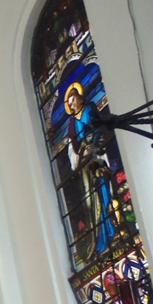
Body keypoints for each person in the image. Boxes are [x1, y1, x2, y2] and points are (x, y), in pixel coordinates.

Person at [64, 83, 117, 255]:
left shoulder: (89, 109)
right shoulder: (72, 123)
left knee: (104, 194)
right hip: (85, 167)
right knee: (89, 202)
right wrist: (80, 153)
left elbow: (99, 128)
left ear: (79, 98)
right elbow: (73, 145)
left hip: (97, 159)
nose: (72, 105)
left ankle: (112, 231)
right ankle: (99, 240)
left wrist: (91, 145)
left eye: (73, 101)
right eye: (70, 103)